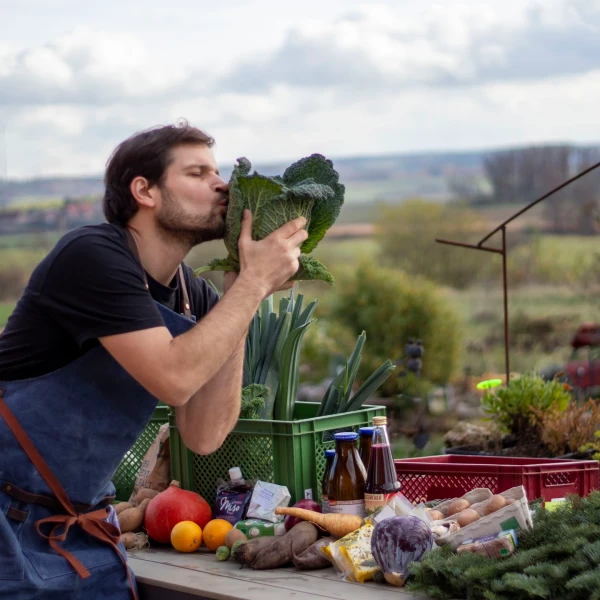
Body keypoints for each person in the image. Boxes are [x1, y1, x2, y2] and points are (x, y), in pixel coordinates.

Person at [0, 121, 308, 599]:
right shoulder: (93, 254)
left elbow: (204, 434)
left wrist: (237, 295)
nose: (222, 184)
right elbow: (174, 377)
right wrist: (253, 285)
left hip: (81, 526)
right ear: (144, 190)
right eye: (198, 172)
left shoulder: (195, 295)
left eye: (218, 171)